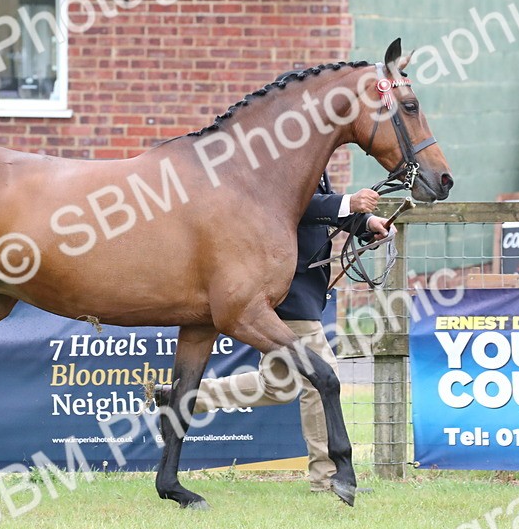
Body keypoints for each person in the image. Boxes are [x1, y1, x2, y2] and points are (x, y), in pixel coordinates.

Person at [153, 179, 391, 492]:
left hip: (303, 282)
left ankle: (182, 398)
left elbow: (316, 203)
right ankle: (328, 478)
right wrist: (347, 203)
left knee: (277, 386)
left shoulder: (308, 150)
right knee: (322, 377)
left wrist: (366, 223)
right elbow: (287, 199)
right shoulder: (278, 149)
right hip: (287, 285)